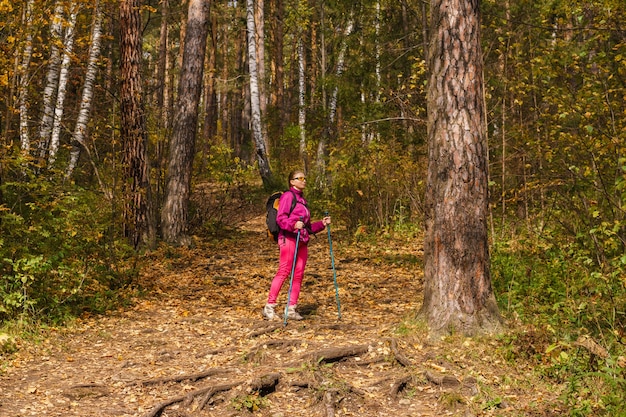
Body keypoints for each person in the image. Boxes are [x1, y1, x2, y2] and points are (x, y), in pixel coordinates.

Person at [263, 170, 331, 321]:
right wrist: (294, 224)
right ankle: (269, 306)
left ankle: (291, 308)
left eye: (304, 178)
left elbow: (307, 227)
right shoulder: (288, 196)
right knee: (284, 271)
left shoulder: (302, 200)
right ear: (292, 182)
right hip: (289, 238)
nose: (304, 180)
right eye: (299, 178)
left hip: (302, 240)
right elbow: (281, 219)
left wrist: (322, 224)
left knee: (298, 274)